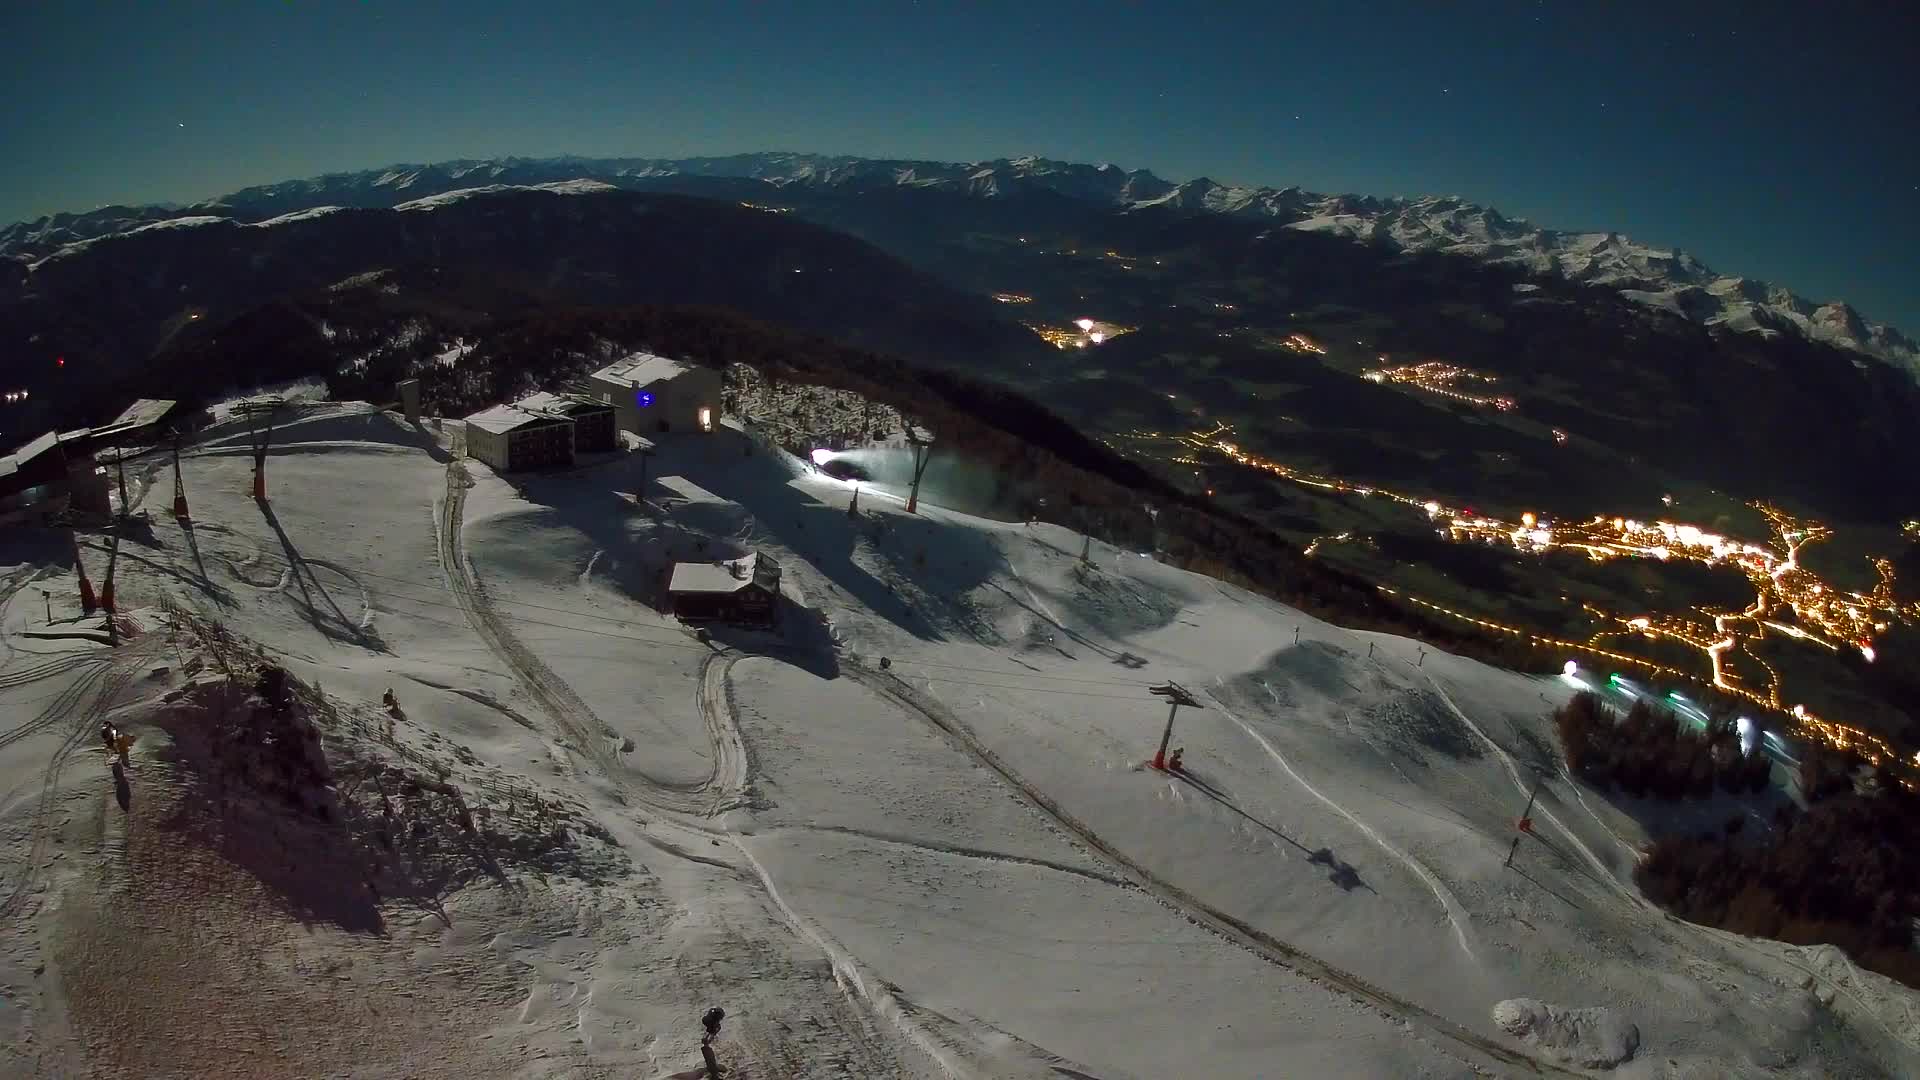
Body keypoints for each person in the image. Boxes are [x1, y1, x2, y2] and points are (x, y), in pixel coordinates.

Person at [700, 1006, 726, 1077]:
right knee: (707, 1046)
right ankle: (713, 1071)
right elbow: (709, 1033)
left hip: (709, 1028)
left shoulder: (710, 1020)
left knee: (707, 1045)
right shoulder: (711, 1024)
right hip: (708, 1035)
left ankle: (713, 1070)